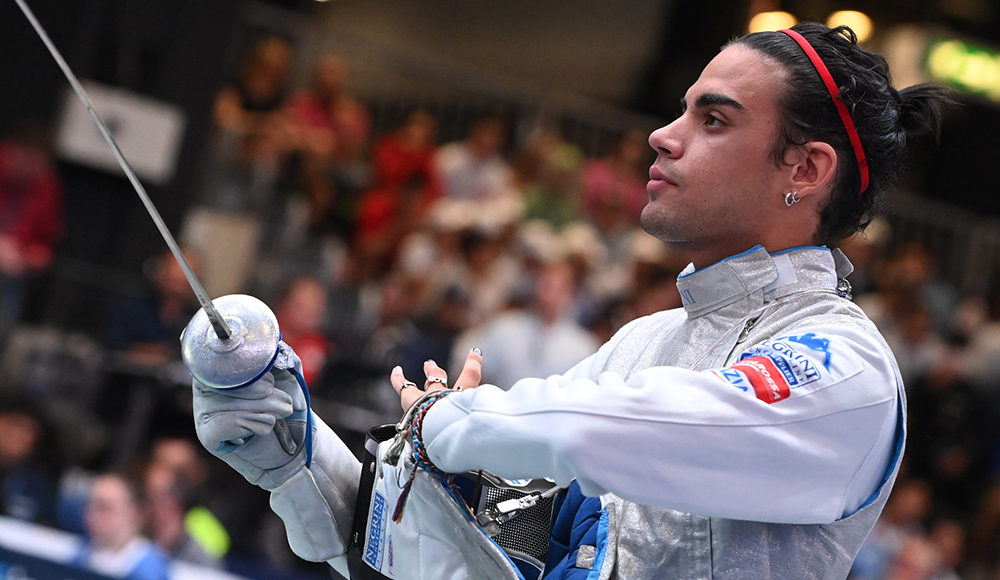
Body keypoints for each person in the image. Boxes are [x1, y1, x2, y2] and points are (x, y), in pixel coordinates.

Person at [190, 22, 950, 579]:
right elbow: (484, 555)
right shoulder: (641, 345)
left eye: (712, 119)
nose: (661, 135)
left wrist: (456, 423)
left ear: (806, 168)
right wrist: (298, 459)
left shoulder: (849, 370)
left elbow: (655, 430)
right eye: (681, 110)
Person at [72, 473, 172, 580]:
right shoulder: (83, 552)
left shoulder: (150, 571)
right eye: (89, 504)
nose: (91, 515)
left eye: (104, 507)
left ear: (135, 513)